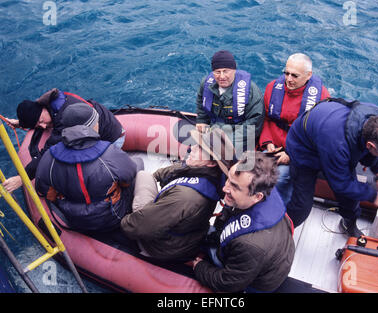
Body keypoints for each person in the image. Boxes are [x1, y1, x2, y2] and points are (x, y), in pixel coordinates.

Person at [285, 98, 378, 237]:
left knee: (351, 199)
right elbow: (341, 184)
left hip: (335, 139)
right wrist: (375, 196)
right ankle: (283, 234)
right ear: (370, 146)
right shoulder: (338, 146)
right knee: (302, 205)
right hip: (304, 149)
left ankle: (348, 224)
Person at [121, 128, 236, 262]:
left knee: (142, 175)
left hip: (162, 246)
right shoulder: (204, 172)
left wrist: (121, 220)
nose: (192, 148)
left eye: (200, 148)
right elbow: (163, 173)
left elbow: (137, 227)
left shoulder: (186, 197)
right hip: (186, 235)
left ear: (211, 163)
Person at [192, 151, 295, 293]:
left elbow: (227, 283)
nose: (225, 188)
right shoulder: (264, 190)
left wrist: (200, 267)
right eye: (228, 179)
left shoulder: (251, 245)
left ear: (256, 197)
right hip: (262, 259)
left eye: (234, 187)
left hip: (255, 283)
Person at [35, 103, 138, 233]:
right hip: (111, 216)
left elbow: (45, 191)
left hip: (73, 217)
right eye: (97, 121)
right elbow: (129, 177)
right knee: (138, 164)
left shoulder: (49, 157)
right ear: (91, 126)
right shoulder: (109, 153)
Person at [3, 88, 124, 192]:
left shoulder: (64, 117)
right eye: (38, 126)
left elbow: (48, 152)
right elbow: (36, 116)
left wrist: (22, 178)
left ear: (43, 109)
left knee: (91, 172)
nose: (44, 127)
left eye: (41, 121)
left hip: (112, 138)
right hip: (105, 124)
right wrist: (21, 123)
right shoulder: (51, 102)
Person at [259, 53, 330, 205]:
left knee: (279, 177)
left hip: (298, 151)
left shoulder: (321, 97)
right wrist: (267, 142)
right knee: (253, 171)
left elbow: (318, 136)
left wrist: (291, 154)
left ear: (308, 75)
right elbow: (266, 119)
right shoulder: (272, 88)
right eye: (287, 73)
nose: (289, 79)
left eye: (295, 76)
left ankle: (279, 210)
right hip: (273, 146)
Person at [195, 50, 264, 156]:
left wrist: (228, 141)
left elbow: (255, 123)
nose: (221, 76)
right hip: (215, 130)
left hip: (240, 136)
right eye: (217, 72)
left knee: (224, 161)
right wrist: (202, 120)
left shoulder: (251, 91)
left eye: (225, 71)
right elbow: (201, 102)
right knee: (192, 153)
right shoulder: (206, 84)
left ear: (234, 70)